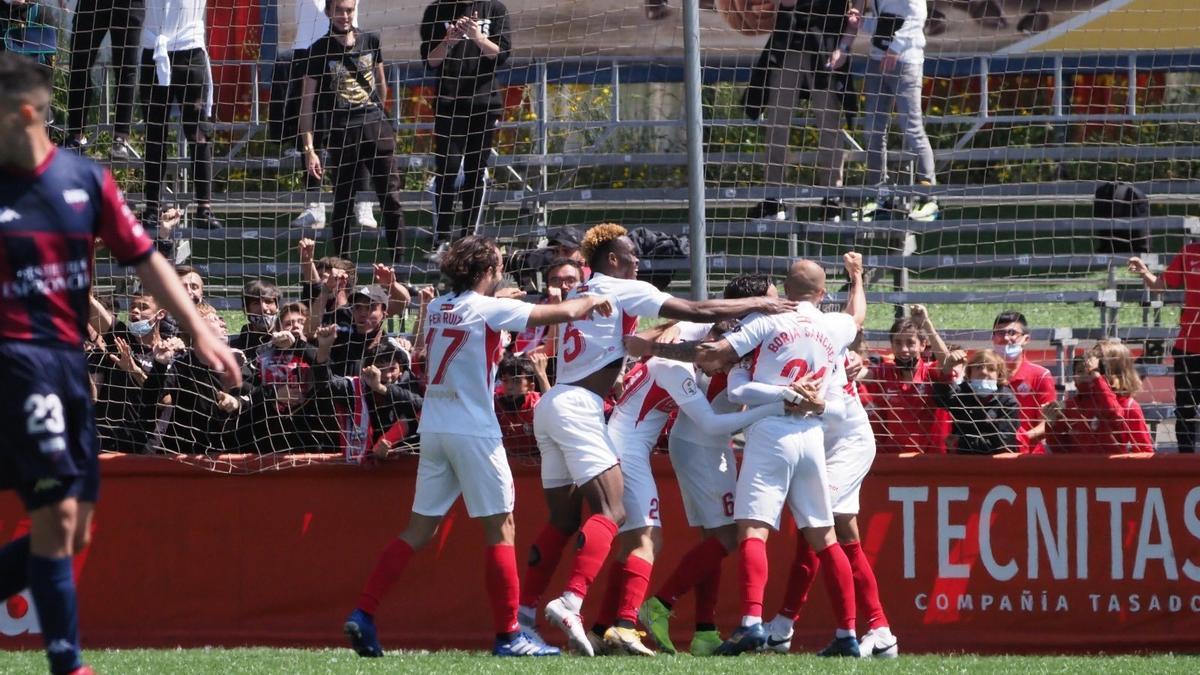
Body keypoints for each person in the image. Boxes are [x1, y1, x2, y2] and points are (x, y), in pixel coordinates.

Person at [0, 51, 239, 675]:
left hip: (72, 369)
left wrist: (200, 335)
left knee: (75, 530)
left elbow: (146, 260)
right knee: (54, 517)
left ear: (24, 114)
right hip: (18, 367)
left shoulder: (86, 181)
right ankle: (68, 664)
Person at [341, 235, 617, 658]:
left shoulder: (436, 307)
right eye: (499, 266)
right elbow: (555, 311)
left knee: (418, 530)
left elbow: (469, 317)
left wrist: (500, 299)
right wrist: (589, 302)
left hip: (435, 427)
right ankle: (510, 635)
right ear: (486, 271)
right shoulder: (489, 308)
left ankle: (364, 612)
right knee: (501, 529)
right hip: (474, 431)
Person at [528, 222, 795, 656]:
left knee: (623, 534)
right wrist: (779, 399)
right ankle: (619, 616)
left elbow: (653, 337)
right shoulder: (664, 346)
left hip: (596, 420)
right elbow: (691, 327)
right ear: (613, 259)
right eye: (631, 254)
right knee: (645, 536)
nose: (639, 262)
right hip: (624, 439)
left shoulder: (616, 304)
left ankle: (597, 626)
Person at [589, 320, 793, 656]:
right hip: (639, 451)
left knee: (638, 543)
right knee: (657, 539)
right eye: (725, 358)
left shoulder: (683, 348)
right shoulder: (676, 367)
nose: (726, 367)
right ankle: (637, 618)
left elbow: (689, 321)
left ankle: (604, 629)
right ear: (711, 342)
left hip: (633, 446)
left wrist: (669, 328)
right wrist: (777, 405)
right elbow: (711, 422)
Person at [693, 258, 863, 657]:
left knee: (753, 529)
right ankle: (848, 634)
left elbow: (717, 359)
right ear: (822, 294)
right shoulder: (833, 326)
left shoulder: (767, 321)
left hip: (771, 432)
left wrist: (707, 344)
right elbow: (856, 317)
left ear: (785, 291)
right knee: (825, 536)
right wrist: (856, 278)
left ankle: (751, 622)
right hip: (811, 435)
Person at [635, 274, 777, 656]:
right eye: (772, 300)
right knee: (728, 537)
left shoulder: (737, 335)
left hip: (708, 441)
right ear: (753, 305)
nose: (778, 308)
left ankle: (705, 632)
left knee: (713, 539)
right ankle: (659, 604)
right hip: (702, 443)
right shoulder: (729, 340)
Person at [301, 0, 407, 261]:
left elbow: (381, 85)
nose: (344, 16)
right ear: (328, 12)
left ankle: (399, 269)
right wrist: (309, 149)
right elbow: (307, 104)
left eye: (349, 10)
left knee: (391, 200)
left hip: (375, 129)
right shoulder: (318, 51)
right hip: (342, 134)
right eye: (339, 10)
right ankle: (342, 270)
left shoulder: (371, 40)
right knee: (343, 204)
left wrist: (381, 119)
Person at [751, 0, 858, 222]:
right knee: (777, 123)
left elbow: (855, 17)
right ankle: (774, 198)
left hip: (827, 48)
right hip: (789, 44)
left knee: (829, 124)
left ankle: (832, 200)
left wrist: (844, 47)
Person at [420, 0, 510, 254]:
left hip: (484, 103)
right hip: (449, 103)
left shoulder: (496, 9)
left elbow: (501, 54)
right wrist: (449, 40)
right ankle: (442, 238)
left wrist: (477, 36)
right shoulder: (436, 11)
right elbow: (430, 61)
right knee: (447, 169)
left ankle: (469, 237)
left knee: (475, 171)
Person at [288, 0, 378, 231]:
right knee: (310, 125)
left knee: (360, 125)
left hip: (347, 47)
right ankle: (314, 204)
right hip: (307, 46)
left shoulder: (354, 24)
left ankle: (363, 201)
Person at [139, 0, 221, 230]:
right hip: (154, 51)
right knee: (155, 134)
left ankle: (204, 208)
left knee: (199, 133)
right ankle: (152, 208)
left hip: (190, 51)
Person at [858, 0, 938, 220]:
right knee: (873, 130)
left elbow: (917, 15)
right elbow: (885, 21)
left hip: (905, 61)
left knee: (911, 128)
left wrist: (894, 48)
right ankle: (880, 195)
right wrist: (862, 23)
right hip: (876, 59)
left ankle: (928, 196)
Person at [1129, 253, 1198, 453]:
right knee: (1185, 409)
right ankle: (1186, 460)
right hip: (1188, 347)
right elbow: (1160, 286)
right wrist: (1144, 271)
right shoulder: (1190, 252)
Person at [1045, 340, 1152, 454]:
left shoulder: (1129, 406)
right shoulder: (1075, 405)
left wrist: (1097, 377)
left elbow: (1144, 450)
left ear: (1116, 371)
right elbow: (1060, 450)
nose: (1089, 370)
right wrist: (1052, 425)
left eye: (1097, 365)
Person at [66, 0, 143, 157]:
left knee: (126, 68)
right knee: (79, 63)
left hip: (128, 5)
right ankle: (76, 136)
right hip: (93, 4)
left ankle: (121, 138)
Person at [863, 314, 948, 453]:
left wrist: (926, 324)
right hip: (894, 456)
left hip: (929, 456)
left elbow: (946, 362)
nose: (904, 349)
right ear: (891, 346)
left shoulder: (930, 372)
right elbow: (860, 375)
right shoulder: (885, 372)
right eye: (898, 343)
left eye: (910, 343)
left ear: (923, 345)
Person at [989, 310, 1056, 454]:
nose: (1006, 338)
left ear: (1026, 339)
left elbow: (1048, 422)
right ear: (992, 338)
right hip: (988, 455)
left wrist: (1021, 438)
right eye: (1000, 333)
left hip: (1027, 459)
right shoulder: (981, 374)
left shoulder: (1040, 376)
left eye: (1012, 333)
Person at [933, 348, 1021, 454]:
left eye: (991, 368)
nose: (983, 372)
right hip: (962, 463)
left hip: (996, 464)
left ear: (999, 375)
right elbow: (942, 399)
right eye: (978, 367)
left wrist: (961, 443)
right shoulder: (963, 392)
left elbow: (1002, 441)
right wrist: (947, 368)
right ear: (969, 373)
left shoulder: (1008, 401)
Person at [496, 353, 548, 458]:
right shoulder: (494, 402)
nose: (509, 386)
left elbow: (554, 409)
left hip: (536, 462)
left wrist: (542, 375)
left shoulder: (537, 402)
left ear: (531, 387)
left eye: (516, 381)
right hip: (505, 461)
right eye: (505, 381)